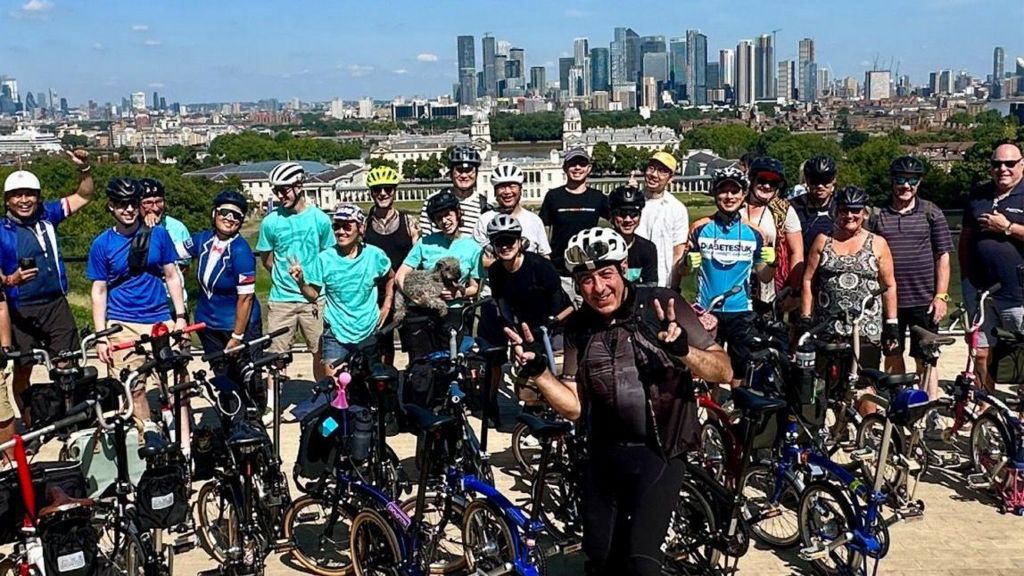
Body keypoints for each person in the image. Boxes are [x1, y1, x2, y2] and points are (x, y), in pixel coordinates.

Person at [504, 227, 731, 576]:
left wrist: (684, 351)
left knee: (641, 563)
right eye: (586, 280)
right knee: (599, 558)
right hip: (603, 454)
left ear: (624, 267)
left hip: (660, 452)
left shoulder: (661, 305)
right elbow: (575, 406)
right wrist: (539, 373)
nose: (599, 288)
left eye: (606, 274)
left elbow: (723, 370)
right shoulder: (580, 326)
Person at [0, 150, 93, 431]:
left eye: (30, 194)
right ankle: (32, 422)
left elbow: (84, 196)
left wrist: (85, 169)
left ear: (38, 197)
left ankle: (70, 420)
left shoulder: (48, 215)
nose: (24, 200)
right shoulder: (1, 230)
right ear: (7, 200)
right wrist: (9, 280)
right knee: (23, 368)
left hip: (55, 303)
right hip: (19, 309)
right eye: (17, 195)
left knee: (67, 364)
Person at [87, 178, 187, 420]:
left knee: (179, 385)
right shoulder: (102, 244)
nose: (129, 209)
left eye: (133, 203)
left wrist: (180, 316)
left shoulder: (159, 234)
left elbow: (172, 275)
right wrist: (101, 337)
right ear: (111, 206)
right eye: (122, 204)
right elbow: (99, 290)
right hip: (123, 322)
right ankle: (146, 438)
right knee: (133, 389)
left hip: (160, 318)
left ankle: (184, 443)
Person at [868, 156, 952, 404]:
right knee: (892, 353)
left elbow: (943, 257)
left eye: (912, 180)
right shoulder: (876, 215)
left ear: (919, 182)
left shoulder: (931, 212)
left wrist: (941, 296)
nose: (906, 186)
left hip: (923, 299)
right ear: (892, 181)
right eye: (901, 179)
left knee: (926, 357)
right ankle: (901, 401)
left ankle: (929, 404)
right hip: (889, 301)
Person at [684, 167, 776, 387]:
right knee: (707, 370)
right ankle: (713, 417)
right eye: (723, 191)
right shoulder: (699, 228)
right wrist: (685, 263)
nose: (729, 197)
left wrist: (772, 263)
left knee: (739, 370)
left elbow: (763, 276)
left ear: (743, 195)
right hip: (706, 309)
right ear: (715, 195)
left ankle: (735, 414)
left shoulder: (755, 233)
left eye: (734, 191)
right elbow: (684, 272)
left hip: (740, 310)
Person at [800, 186, 899, 372]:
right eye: (844, 210)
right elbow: (808, 280)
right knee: (824, 383)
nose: (850, 215)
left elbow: (889, 285)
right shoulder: (823, 240)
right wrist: (805, 318)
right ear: (837, 211)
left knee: (864, 384)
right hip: (828, 326)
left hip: (865, 328)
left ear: (864, 213)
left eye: (855, 210)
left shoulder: (877, 243)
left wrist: (891, 323)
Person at [256, 161, 335, 383]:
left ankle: (324, 397)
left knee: (320, 353)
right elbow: (267, 260)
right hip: (282, 299)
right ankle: (273, 404)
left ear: (299, 186)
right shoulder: (270, 222)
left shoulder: (320, 219)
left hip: (315, 299)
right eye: (276, 191)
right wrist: (283, 278)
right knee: (275, 356)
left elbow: (327, 257)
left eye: (284, 189)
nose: (280, 195)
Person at [174, 189, 261, 387]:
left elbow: (245, 299)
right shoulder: (202, 239)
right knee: (221, 378)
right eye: (224, 212)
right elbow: (170, 252)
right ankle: (227, 414)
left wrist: (237, 337)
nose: (229, 219)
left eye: (236, 215)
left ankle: (253, 414)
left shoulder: (241, 251)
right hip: (208, 323)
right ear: (214, 214)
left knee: (247, 377)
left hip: (236, 325)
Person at [292, 204, 394, 373]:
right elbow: (313, 295)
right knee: (335, 386)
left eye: (347, 226)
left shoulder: (375, 255)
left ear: (360, 228)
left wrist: (387, 305)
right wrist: (301, 282)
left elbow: (391, 277)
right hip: (336, 333)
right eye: (336, 226)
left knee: (371, 384)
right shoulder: (324, 258)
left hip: (368, 330)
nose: (340, 232)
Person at [959, 143, 1024, 394]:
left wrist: (1008, 228)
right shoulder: (978, 196)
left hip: (1017, 294)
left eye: (1009, 163)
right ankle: (986, 404)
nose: (1003, 169)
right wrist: (965, 278)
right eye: (997, 164)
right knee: (981, 352)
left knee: (1020, 354)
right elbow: (964, 239)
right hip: (980, 292)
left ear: (1021, 164)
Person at [397, 191, 483, 361]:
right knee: (422, 364)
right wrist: (417, 297)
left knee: (449, 362)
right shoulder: (425, 242)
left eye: (448, 215)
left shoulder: (473, 247)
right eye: (439, 218)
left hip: (453, 312)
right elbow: (400, 275)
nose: (444, 221)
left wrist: (460, 293)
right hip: (423, 311)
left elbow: (475, 288)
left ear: (458, 213)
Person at [363, 165, 419, 366]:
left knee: (414, 343)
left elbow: (418, 256)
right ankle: (385, 384)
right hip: (377, 293)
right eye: (377, 189)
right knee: (382, 345)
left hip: (405, 293)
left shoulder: (409, 222)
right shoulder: (364, 225)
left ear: (394, 191)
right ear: (371, 193)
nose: (383, 193)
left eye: (388, 188)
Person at [539, 147, 609, 302]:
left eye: (582, 164)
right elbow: (544, 229)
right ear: (565, 168)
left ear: (588, 169)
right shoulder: (553, 196)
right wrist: (546, 260)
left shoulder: (598, 198)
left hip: (589, 269)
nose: (577, 168)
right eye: (573, 164)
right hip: (560, 269)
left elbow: (619, 219)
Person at [741, 156, 804, 313]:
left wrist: (792, 290)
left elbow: (797, 252)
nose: (767, 186)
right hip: (734, 283)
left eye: (773, 182)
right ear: (752, 179)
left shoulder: (783, 210)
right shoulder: (736, 205)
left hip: (769, 287)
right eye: (762, 180)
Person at [473, 161, 551, 261]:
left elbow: (544, 256)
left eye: (512, 186)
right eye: (502, 187)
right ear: (495, 192)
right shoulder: (484, 220)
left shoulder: (534, 220)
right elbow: (476, 258)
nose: (507, 192)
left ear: (521, 190)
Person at [636, 151, 689, 289]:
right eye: (651, 168)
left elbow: (678, 252)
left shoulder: (677, 208)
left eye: (662, 171)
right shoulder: (633, 203)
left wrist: (674, 288)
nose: (654, 175)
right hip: (633, 278)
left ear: (670, 178)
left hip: (663, 281)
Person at [417, 145, 489, 236]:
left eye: (469, 170)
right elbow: (426, 237)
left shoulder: (484, 205)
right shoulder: (433, 200)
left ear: (476, 173)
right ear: (451, 173)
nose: (464, 175)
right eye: (459, 170)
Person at [607, 185, 658, 285]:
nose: (628, 219)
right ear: (612, 216)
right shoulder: (602, 245)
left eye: (633, 214)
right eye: (622, 214)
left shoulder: (647, 248)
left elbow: (651, 284)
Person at [791, 154, 838, 257]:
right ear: (807, 181)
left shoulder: (842, 206)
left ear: (834, 180)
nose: (820, 186)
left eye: (825, 180)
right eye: (815, 181)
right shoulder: (793, 207)